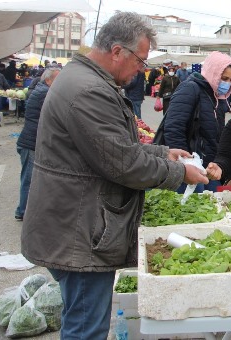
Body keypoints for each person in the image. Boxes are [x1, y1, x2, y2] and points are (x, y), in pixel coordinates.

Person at [20, 12, 208, 339]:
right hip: (77, 231)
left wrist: (163, 153)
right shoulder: (88, 90)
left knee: (82, 319)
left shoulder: (85, 79)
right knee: (85, 328)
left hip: (73, 222)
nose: (141, 71)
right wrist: (179, 172)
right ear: (117, 51)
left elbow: (115, 148)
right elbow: (123, 164)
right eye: (140, 61)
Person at [163, 51, 231, 192]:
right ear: (213, 73)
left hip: (209, 166)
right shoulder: (190, 89)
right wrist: (186, 164)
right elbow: (174, 128)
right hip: (191, 167)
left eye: (230, 79)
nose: (226, 83)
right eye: (223, 78)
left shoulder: (216, 97)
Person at [14, 67, 60, 221]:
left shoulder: (42, 90)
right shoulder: (44, 93)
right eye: (57, 79)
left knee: (31, 179)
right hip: (30, 143)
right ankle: (23, 211)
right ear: (48, 80)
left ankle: (25, 210)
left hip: (31, 141)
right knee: (29, 180)